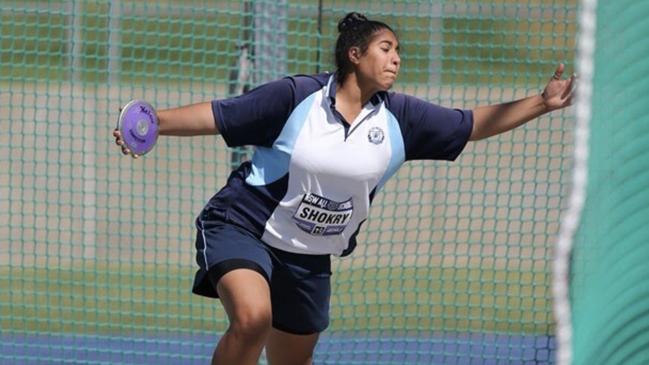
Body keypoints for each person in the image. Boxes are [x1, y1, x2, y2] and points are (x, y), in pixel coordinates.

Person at [113, 11, 575, 365]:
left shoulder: (403, 119)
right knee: (253, 320)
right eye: (385, 47)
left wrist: (541, 102)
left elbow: (471, 124)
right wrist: (152, 125)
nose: (396, 58)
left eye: (398, 51)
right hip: (243, 226)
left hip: (309, 257)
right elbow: (219, 115)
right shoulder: (297, 98)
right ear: (355, 55)